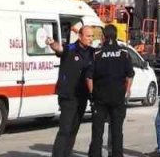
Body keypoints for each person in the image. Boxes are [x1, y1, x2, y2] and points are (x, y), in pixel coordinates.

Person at [48, 24, 95, 157]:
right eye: (88, 36)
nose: (90, 38)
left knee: (74, 128)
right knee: (65, 129)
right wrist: (52, 43)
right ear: (80, 36)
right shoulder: (71, 48)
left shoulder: (92, 52)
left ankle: (67, 153)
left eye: (92, 36)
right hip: (68, 95)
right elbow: (59, 48)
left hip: (82, 96)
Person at [87, 24, 133, 157]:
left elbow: (89, 77)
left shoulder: (97, 53)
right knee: (117, 131)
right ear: (116, 36)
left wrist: (91, 94)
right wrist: (127, 90)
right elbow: (130, 74)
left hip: (100, 98)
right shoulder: (124, 53)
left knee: (97, 131)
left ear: (103, 37)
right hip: (118, 98)